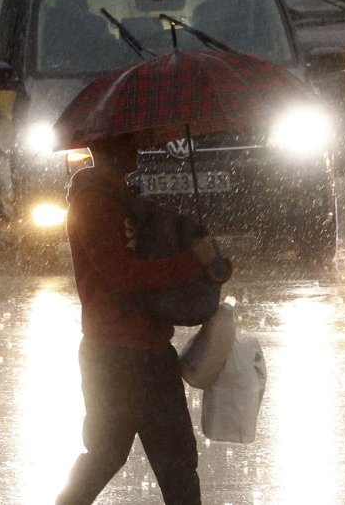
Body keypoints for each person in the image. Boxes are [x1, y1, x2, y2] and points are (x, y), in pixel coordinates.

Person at [55, 137, 229, 505]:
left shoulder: (125, 201)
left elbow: (149, 261)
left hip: (150, 351)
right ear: (105, 148)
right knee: (107, 456)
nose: (136, 148)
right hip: (115, 358)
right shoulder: (93, 205)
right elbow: (124, 276)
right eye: (127, 141)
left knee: (177, 465)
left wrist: (198, 250)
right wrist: (191, 261)